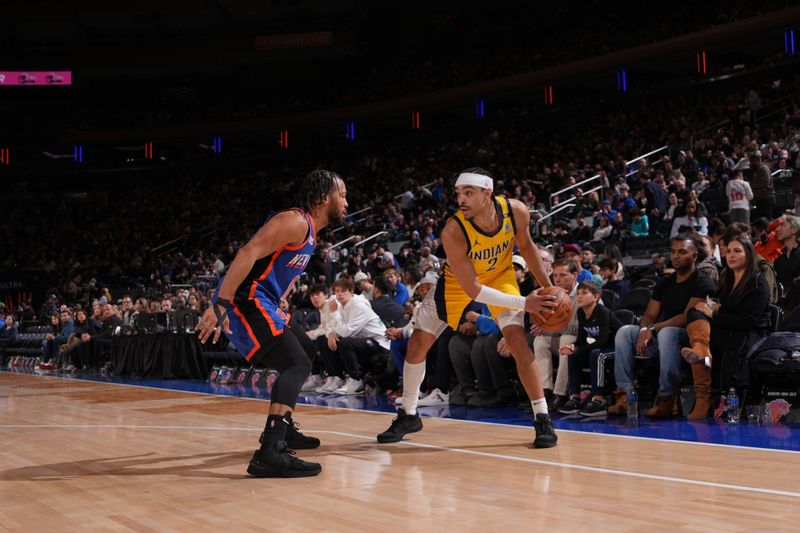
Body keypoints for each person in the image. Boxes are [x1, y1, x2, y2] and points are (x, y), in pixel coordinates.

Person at [376, 167, 559, 448]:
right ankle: (409, 413)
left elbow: (528, 247)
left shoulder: (516, 211)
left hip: (501, 276)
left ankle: (542, 417)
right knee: (416, 345)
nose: (461, 199)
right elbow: (473, 289)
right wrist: (526, 302)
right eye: (459, 193)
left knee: (518, 342)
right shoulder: (453, 230)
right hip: (458, 284)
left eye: (469, 193)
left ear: (488, 193)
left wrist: (547, 289)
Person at [198, 169, 348, 478]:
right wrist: (221, 303)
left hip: (264, 300)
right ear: (323, 198)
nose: (346, 201)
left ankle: (285, 426)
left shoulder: (310, 233)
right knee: (296, 364)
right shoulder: (294, 221)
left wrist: (279, 296)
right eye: (342, 194)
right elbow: (247, 252)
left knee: (306, 351)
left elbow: (274, 268)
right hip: (244, 302)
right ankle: (271, 449)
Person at [607, 234, 715, 418]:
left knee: (668, 333)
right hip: (659, 334)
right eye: (673, 252)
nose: (676, 256)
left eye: (682, 252)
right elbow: (649, 314)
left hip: (686, 338)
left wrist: (653, 329)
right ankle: (626, 396)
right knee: (625, 332)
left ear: (695, 256)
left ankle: (668, 399)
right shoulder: (665, 283)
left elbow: (687, 316)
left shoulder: (703, 282)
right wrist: (643, 330)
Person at [681, 235, 770, 419]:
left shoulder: (758, 282)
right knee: (694, 312)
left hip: (746, 332)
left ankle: (701, 355)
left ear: (749, 255)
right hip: (725, 327)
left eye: (737, 251)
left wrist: (713, 313)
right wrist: (710, 309)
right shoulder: (726, 280)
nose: (731, 255)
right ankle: (701, 351)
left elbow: (749, 321)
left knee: (704, 325)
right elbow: (721, 307)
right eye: (728, 251)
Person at [559, 281, 622, 416]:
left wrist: (578, 349)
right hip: (602, 347)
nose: (579, 296)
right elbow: (582, 339)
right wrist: (572, 347)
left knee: (596, 354)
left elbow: (602, 340)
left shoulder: (602, 312)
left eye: (584, 293)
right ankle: (575, 397)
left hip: (618, 348)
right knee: (574, 355)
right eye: (578, 293)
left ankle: (598, 399)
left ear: (596, 297)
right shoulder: (581, 313)